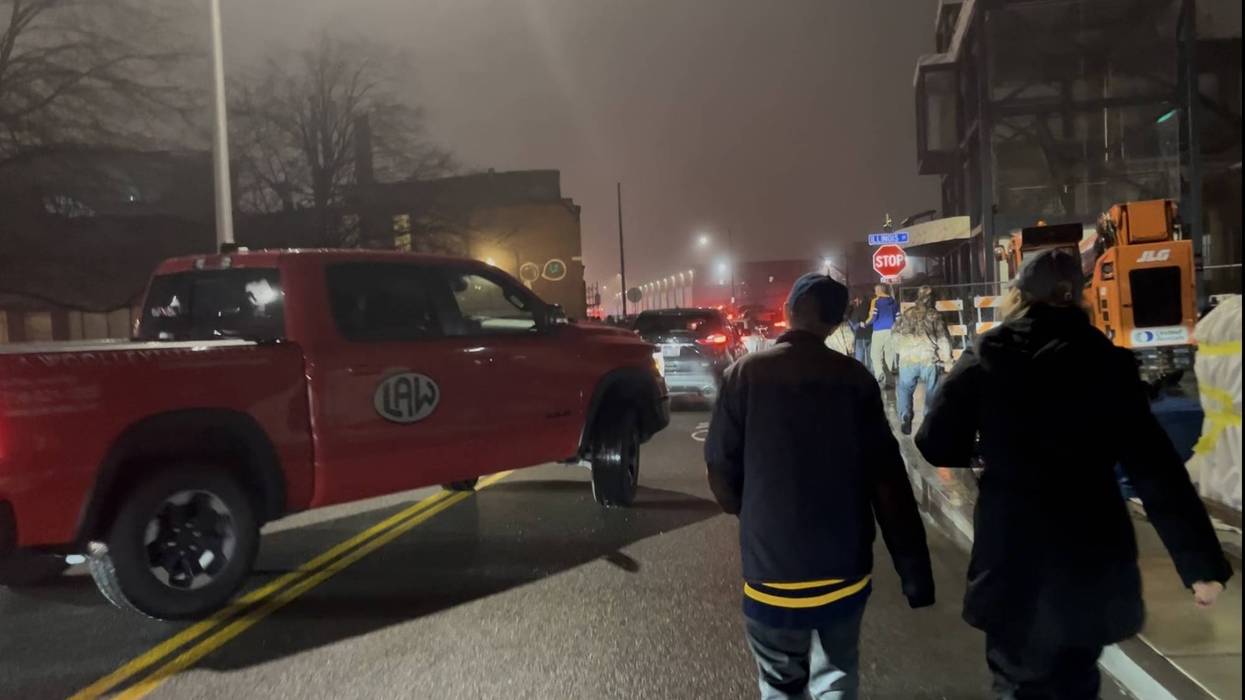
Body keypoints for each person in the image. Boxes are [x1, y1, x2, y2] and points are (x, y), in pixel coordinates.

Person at [915, 249, 1232, 700]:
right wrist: (1200, 566)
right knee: (1078, 681)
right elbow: (1155, 468)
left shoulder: (988, 354)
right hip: (1092, 557)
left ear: (1019, 296)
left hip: (1013, 555)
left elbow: (935, 441)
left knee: (1017, 681)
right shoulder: (1110, 363)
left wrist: (990, 451)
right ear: (1079, 297)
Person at [706, 273, 935, 700]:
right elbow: (888, 483)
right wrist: (914, 572)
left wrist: (753, 511)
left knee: (779, 685)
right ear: (835, 323)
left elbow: (720, 466)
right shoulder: (855, 380)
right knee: (836, 677)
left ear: (790, 311)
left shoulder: (744, 376)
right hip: (843, 571)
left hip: (770, 572)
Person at [891, 286, 952, 435]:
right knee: (931, 391)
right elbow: (943, 339)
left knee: (905, 389)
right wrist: (947, 359)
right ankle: (928, 421)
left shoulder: (906, 314)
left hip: (907, 359)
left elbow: (894, 335)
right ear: (931, 299)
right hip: (927, 358)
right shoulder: (935, 316)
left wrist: (901, 350)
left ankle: (905, 416)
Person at [866, 285, 899, 386]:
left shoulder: (876, 301)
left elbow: (874, 317)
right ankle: (888, 377)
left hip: (878, 330)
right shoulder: (893, 301)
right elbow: (898, 317)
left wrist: (866, 323)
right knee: (889, 353)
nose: (875, 292)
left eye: (876, 290)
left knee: (875, 354)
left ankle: (880, 375)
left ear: (879, 291)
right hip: (891, 330)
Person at [847, 296, 873, 373]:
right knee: (869, 357)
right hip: (870, 336)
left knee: (859, 358)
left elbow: (854, 326)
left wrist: (858, 324)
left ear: (861, 302)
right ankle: (870, 374)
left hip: (860, 337)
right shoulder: (871, 311)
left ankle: (858, 373)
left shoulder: (857, 311)